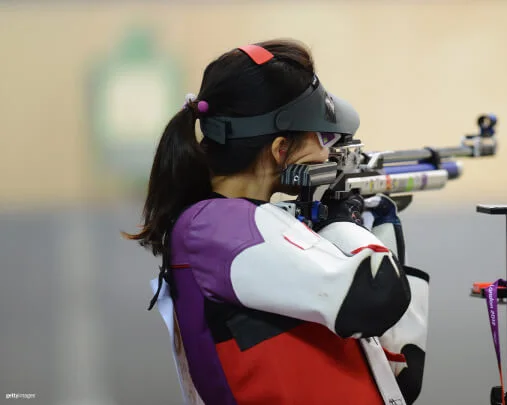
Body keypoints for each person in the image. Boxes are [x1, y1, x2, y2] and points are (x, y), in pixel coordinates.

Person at [125, 39, 430, 405]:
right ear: (280, 150)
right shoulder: (213, 226)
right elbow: (376, 297)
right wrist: (343, 224)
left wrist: (376, 229)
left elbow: (404, 374)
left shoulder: (258, 225)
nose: (326, 153)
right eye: (322, 138)